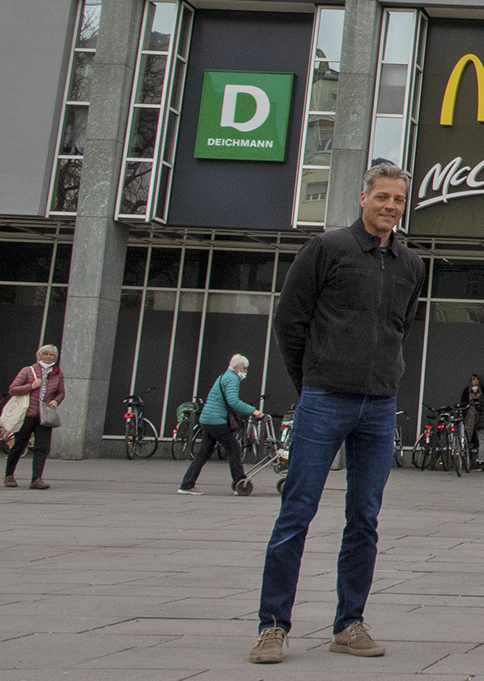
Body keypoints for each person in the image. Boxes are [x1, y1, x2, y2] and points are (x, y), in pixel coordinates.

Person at [249, 163, 426, 665]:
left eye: (398, 199)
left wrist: (385, 377)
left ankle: (349, 623)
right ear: (363, 197)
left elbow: (400, 328)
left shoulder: (411, 265)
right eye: (382, 196)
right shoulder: (326, 249)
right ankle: (272, 627)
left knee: (364, 519)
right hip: (324, 400)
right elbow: (290, 322)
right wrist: (310, 385)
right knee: (296, 513)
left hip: (379, 406)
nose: (390, 206)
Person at [178, 354, 265, 495]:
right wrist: (253, 411)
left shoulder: (223, 376)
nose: (246, 371)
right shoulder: (232, 378)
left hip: (208, 419)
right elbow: (233, 402)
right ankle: (239, 482)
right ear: (236, 367)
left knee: (203, 453)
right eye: (244, 368)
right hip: (216, 420)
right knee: (234, 449)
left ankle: (187, 484)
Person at [4, 345, 65, 490]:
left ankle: (36, 479)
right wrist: (31, 386)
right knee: (19, 445)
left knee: (42, 447)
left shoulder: (57, 373)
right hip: (27, 415)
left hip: (45, 416)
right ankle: (9, 475)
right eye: (46, 354)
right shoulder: (28, 371)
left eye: (52, 355)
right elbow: (13, 389)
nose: (50, 357)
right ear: (40, 355)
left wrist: (56, 400)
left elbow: (61, 392)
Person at [460, 374, 483, 463]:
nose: (475, 381)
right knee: (467, 434)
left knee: (480, 437)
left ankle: (479, 459)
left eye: (477, 380)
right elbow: (463, 403)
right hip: (469, 415)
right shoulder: (466, 391)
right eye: (474, 380)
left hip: (479, 415)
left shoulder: (482, 390)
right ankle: (466, 457)